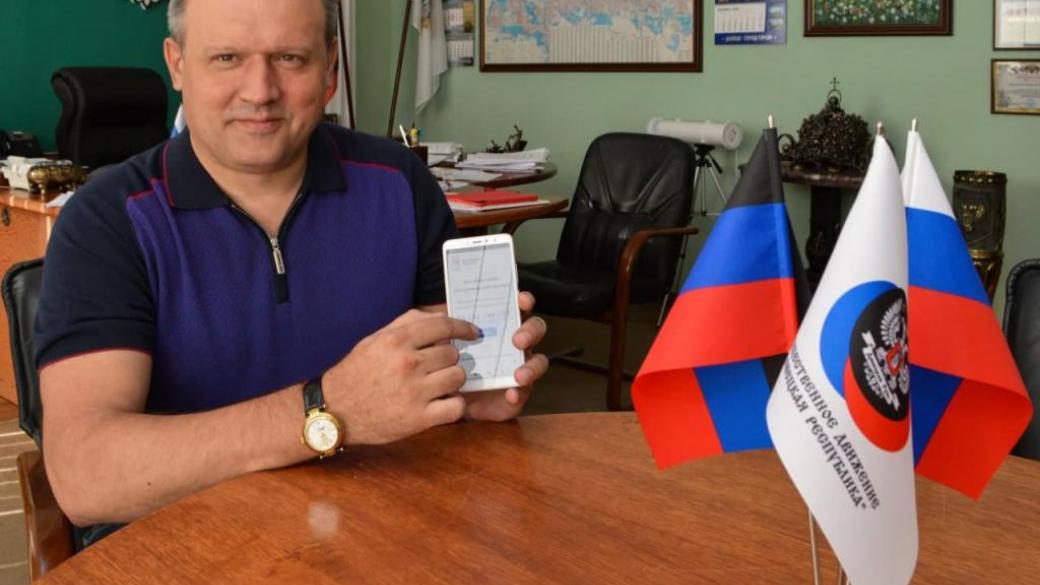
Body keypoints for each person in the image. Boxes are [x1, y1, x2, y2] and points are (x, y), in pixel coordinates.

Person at [33, 0, 548, 541]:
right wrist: (328, 411)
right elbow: (85, 477)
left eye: (290, 58)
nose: (260, 91)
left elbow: (448, 378)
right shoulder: (108, 219)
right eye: (227, 57)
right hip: (189, 549)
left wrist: (473, 388)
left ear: (330, 70)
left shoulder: (400, 183)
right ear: (178, 64)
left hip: (381, 532)